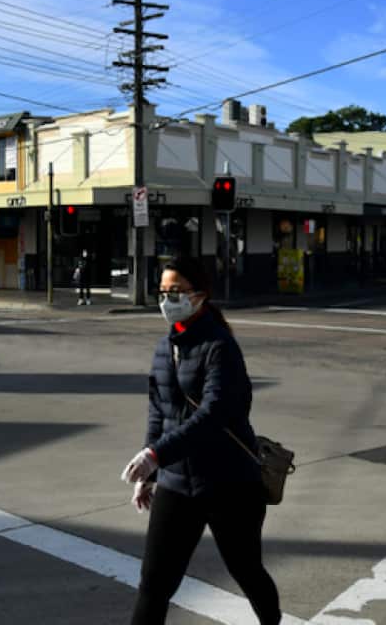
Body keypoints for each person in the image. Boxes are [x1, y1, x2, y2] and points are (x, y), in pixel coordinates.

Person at [121, 256, 280, 625]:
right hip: (177, 484)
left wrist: (155, 454)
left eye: (175, 292)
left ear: (199, 296)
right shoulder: (164, 348)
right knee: (153, 585)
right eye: (162, 292)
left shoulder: (220, 347)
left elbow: (212, 416)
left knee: (247, 571)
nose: (166, 300)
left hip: (228, 484)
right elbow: (158, 412)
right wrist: (150, 473)